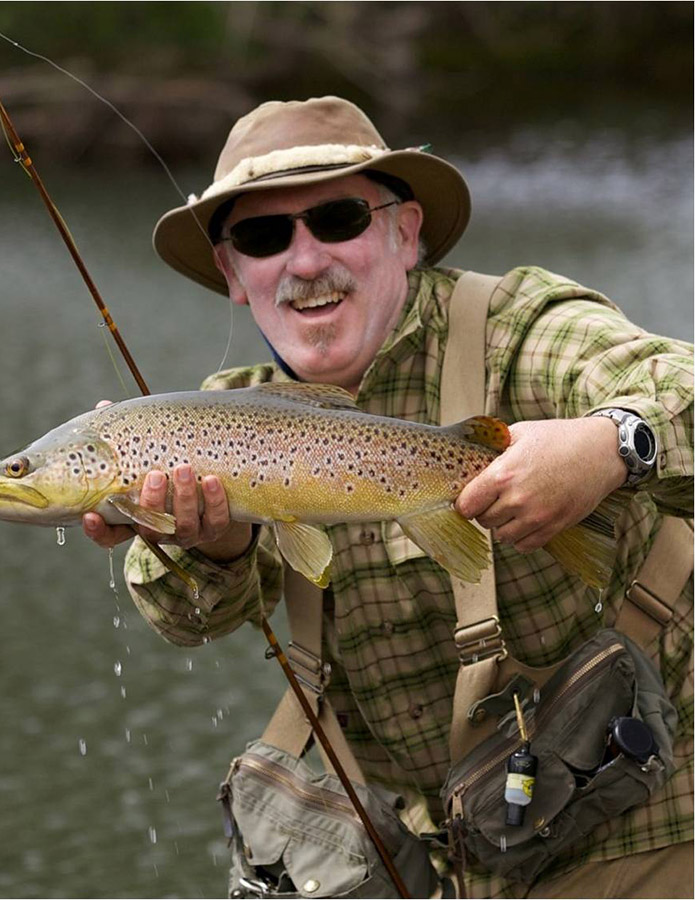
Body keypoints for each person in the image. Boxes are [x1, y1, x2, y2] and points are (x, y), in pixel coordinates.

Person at [82, 97, 693, 898]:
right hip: (462, 859)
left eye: (337, 220)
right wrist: (218, 543)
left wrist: (613, 442)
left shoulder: (517, 328)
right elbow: (184, 618)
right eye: (263, 237)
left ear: (404, 233)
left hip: (654, 817)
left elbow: (675, 379)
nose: (304, 262)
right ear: (232, 273)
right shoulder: (222, 420)